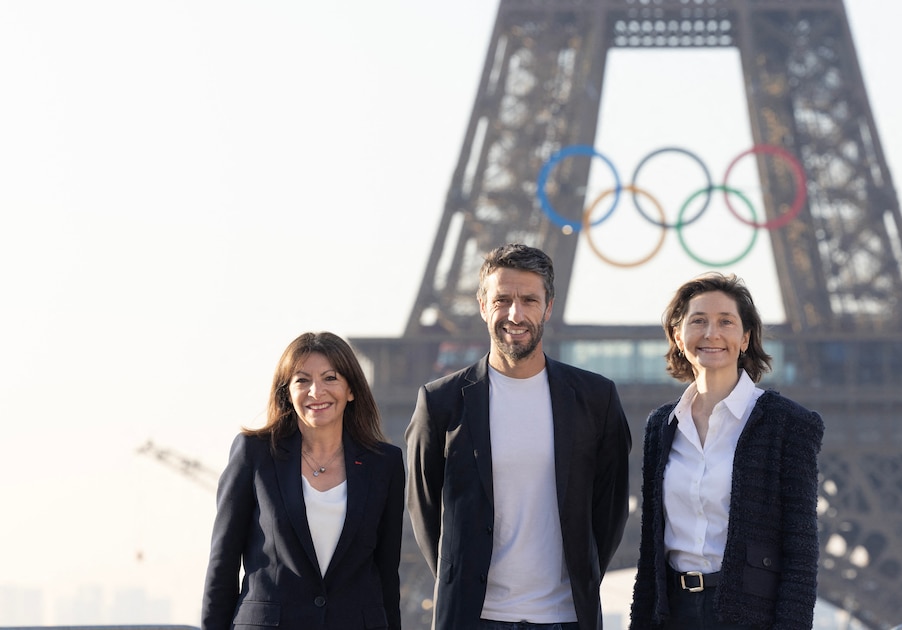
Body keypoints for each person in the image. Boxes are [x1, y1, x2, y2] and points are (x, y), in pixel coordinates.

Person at [406, 243, 632, 630]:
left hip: (564, 619)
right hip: (473, 618)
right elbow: (424, 511)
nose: (515, 313)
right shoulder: (440, 402)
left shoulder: (596, 399)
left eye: (529, 299)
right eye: (502, 300)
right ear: (482, 305)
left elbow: (608, 514)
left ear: (547, 307)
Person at [629, 273, 824, 630]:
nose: (711, 333)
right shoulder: (661, 427)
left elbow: (800, 552)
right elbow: (650, 550)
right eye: (698, 321)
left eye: (725, 322)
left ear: (745, 338)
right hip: (672, 615)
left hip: (748, 617)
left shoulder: (787, 424)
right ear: (677, 335)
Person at [202, 331, 406, 630]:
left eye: (330, 378)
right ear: (287, 392)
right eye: (302, 380)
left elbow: (387, 575)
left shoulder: (384, 464)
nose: (316, 391)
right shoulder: (254, 453)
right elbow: (223, 566)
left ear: (351, 389)